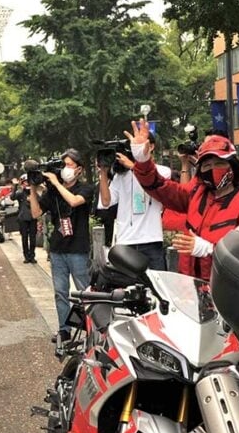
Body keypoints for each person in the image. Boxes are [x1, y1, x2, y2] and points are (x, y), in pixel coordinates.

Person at [130, 122, 239, 280]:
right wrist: (143, 161)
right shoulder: (196, 194)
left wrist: (211, 250)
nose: (213, 169)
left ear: (232, 166)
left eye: (220, 163)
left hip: (225, 293)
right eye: (207, 165)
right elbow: (161, 188)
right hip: (189, 288)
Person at [28, 148, 95, 343]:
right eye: (63, 165)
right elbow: (35, 213)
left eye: (69, 165)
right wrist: (33, 188)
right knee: (60, 293)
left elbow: (74, 202)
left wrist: (56, 183)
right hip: (58, 250)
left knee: (85, 293)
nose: (65, 169)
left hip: (78, 251)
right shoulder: (53, 193)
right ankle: (64, 330)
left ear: (79, 169)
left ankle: (92, 330)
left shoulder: (86, 189)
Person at [96, 135, 171, 271]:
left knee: (155, 286)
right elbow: (106, 202)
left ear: (151, 146)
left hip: (151, 240)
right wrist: (103, 172)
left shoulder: (163, 171)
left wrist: (132, 166)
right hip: (126, 242)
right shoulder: (121, 176)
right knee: (128, 288)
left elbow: (157, 183)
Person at [9, 175, 39, 263]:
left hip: (33, 217)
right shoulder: (21, 193)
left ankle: (32, 256)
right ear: (22, 183)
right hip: (23, 218)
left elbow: (41, 200)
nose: (27, 184)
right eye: (25, 182)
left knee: (33, 238)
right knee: (24, 238)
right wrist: (14, 186)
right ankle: (26, 256)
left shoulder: (34, 193)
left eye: (28, 182)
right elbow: (12, 197)